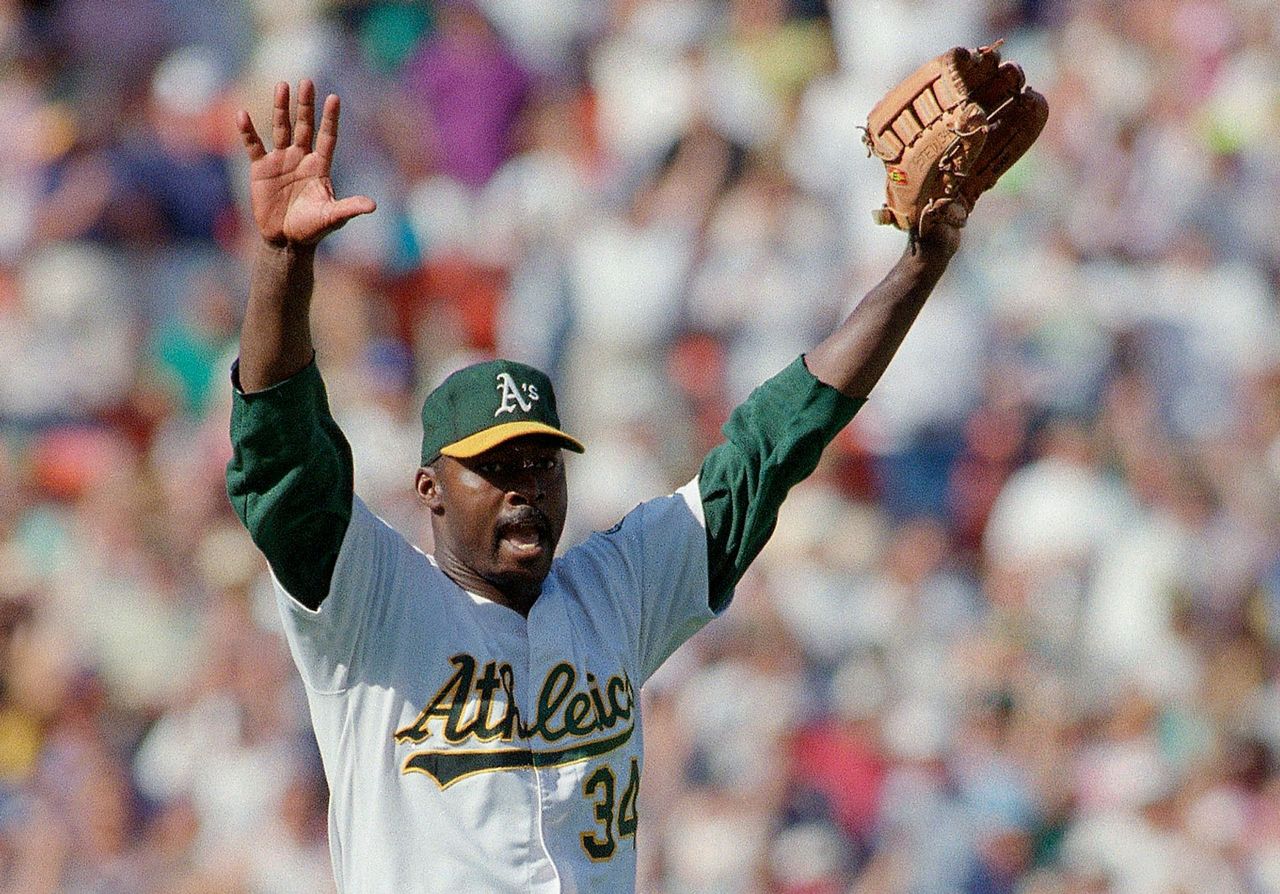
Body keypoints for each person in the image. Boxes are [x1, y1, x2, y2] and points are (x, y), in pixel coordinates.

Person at [226, 79, 966, 893]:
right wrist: (283, 265)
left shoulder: (615, 591)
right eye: (495, 468)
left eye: (541, 464)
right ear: (430, 489)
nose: (524, 487)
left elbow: (772, 445)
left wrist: (918, 269)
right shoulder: (371, 603)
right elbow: (284, 459)